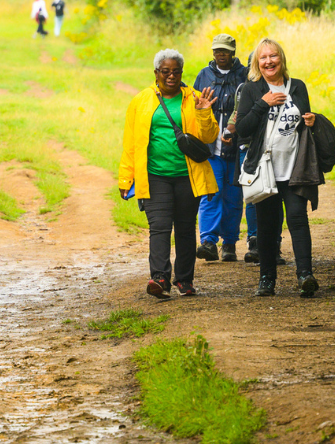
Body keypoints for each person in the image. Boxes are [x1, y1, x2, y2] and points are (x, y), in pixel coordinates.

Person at [118, 48, 219, 298]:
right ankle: (160, 279)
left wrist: (204, 111)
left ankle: (184, 280)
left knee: (185, 228)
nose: (171, 76)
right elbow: (131, 144)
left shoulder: (194, 98)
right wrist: (125, 177)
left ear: (182, 73)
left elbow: (209, 137)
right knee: (160, 227)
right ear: (156, 73)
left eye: (176, 71)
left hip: (188, 175)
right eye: (166, 71)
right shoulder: (141, 101)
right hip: (154, 175)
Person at [233, 37, 321, 297]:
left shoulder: (298, 87)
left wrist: (313, 121)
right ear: (256, 63)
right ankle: (267, 279)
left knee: (298, 219)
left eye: (273, 56)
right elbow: (243, 130)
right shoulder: (250, 90)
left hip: (295, 167)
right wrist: (264, 103)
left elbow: (305, 123)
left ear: (281, 59)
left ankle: (305, 275)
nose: (269, 61)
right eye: (263, 57)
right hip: (265, 169)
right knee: (267, 226)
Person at [193, 34, 247, 262]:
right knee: (210, 195)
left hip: (235, 149)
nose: (220, 54)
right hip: (210, 149)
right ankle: (208, 242)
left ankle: (230, 244)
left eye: (225, 51)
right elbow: (193, 109)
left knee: (234, 197)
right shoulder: (203, 75)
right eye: (217, 51)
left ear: (233, 52)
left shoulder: (245, 75)